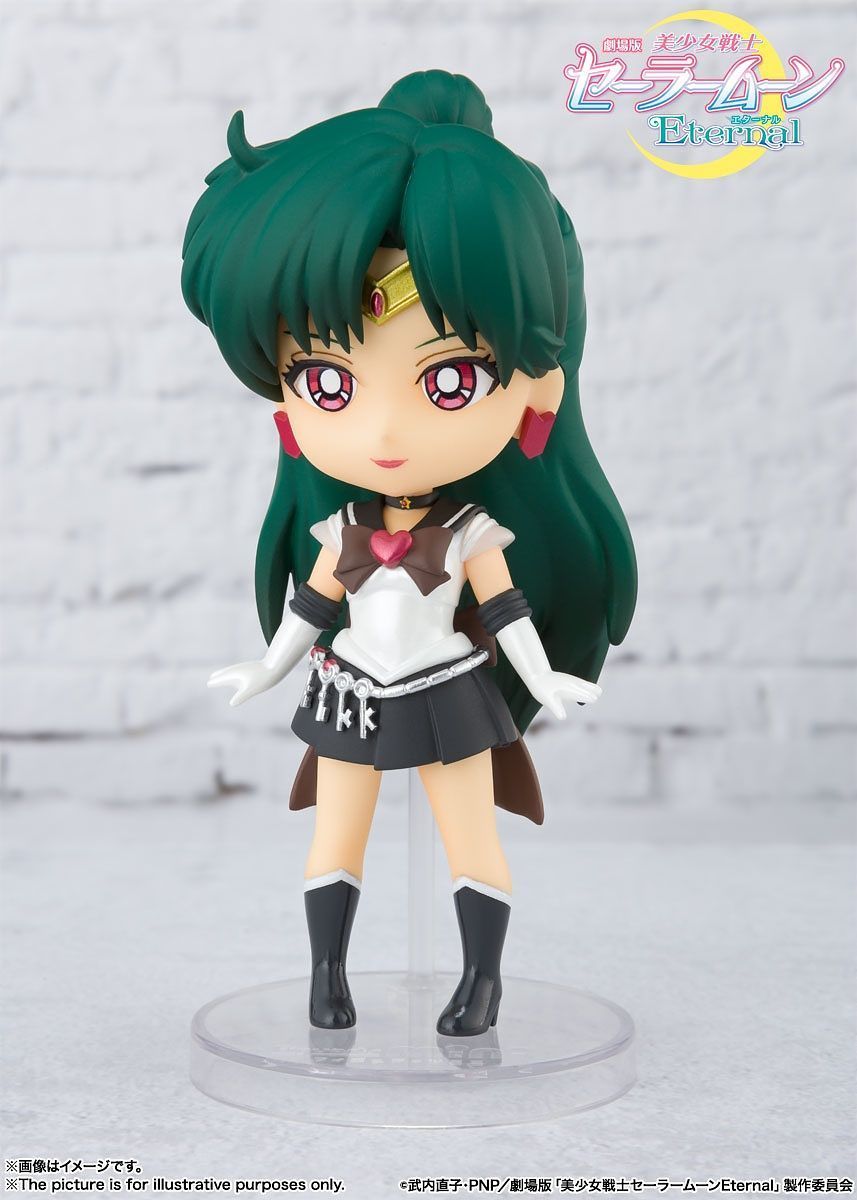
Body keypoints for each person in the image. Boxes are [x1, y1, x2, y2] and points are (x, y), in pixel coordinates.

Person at [181, 69, 637, 1037]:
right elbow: (311, 610)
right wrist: (266, 668)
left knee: (464, 830)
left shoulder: (470, 534)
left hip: (447, 689)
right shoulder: (340, 532)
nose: (384, 433)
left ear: (535, 394)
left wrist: (542, 680)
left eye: (450, 380)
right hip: (348, 686)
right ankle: (327, 974)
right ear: (285, 403)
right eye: (327, 382)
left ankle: (480, 981)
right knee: (335, 829)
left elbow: (506, 611)